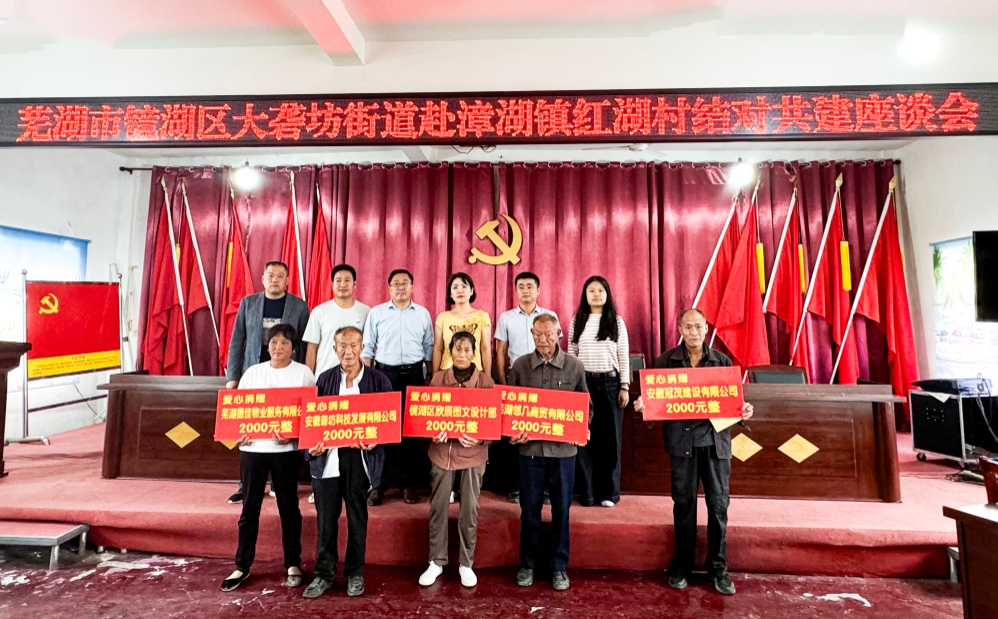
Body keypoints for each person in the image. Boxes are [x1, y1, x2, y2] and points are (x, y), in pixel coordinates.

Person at [633, 308, 754, 596]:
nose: (694, 332)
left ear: (706, 328)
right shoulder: (666, 362)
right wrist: (644, 407)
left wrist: (744, 411)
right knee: (684, 506)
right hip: (682, 445)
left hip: (715, 446)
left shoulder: (722, 362)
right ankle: (681, 567)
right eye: (688, 327)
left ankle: (718, 569)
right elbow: (655, 402)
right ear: (680, 329)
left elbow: (733, 405)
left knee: (718, 507)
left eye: (698, 327)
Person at [220, 324, 315, 593]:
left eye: (285, 342)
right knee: (250, 508)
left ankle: (293, 563)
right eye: (274, 342)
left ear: (293, 348)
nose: (278, 347)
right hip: (253, 451)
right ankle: (242, 564)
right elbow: (239, 413)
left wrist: (294, 436)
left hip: (285, 452)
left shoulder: (304, 374)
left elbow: (310, 415)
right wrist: (239, 435)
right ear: (267, 346)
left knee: (289, 507)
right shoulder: (253, 373)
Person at [302, 326, 392, 599]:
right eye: (342, 345)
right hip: (329, 458)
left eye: (354, 345)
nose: (348, 351)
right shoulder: (324, 379)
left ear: (363, 348)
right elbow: (312, 421)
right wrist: (312, 448)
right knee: (326, 521)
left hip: (359, 459)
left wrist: (376, 440)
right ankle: (324, 574)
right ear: (334, 349)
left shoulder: (378, 381)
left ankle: (354, 573)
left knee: (357, 518)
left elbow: (388, 422)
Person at [508, 314, 589, 591]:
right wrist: (512, 434)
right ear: (532, 334)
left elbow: (586, 407)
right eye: (538, 335)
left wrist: (583, 428)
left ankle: (559, 567)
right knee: (529, 509)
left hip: (564, 453)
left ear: (559, 334)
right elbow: (510, 409)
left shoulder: (574, 366)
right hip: (530, 451)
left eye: (549, 334)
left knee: (561, 511)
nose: (543, 340)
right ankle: (527, 564)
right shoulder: (520, 366)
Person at [224, 261, 310, 505]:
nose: (275, 279)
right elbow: (237, 340)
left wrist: (304, 375)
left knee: (281, 428)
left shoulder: (299, 306)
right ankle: (246, 484)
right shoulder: (248, 303)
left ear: (287, 280)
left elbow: (304, 345)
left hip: (287, 376)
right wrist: (233, 377)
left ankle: (280, 483)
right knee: (250, 430)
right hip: (255, 375)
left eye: (280, 276)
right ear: (262, 278)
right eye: (270, 275)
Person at [418, 332, 495, 589]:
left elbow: (495, 424)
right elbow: (424, 417)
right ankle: (436, 561)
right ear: (450, 352)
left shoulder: (485, 382)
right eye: (457, 349)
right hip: (442, 453)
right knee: (438, 506)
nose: (462, 354)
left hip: (473, 455)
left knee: (469, 509)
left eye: (467, 350)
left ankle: (466, 563)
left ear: (474, 353)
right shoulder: (438, 379)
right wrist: (432, 433)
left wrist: (481, 439)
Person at [302, 264, 379, 506]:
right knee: (324, 437)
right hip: (326, 382)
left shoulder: (366, 311)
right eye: (338, 280)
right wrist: (310, 380)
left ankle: (360, 484)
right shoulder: (320, 311)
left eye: (347, 280)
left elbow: (367, 347)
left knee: (353, 438)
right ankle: (321, 485)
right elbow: (312, 348)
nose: (343, 284)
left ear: (355, 284)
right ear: (332, 284)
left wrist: (366, 378)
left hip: (356, 380)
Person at [361, 268, 434, 504]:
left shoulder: (422, 314)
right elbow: (367, 347)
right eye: (396, 283)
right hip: (384, 375)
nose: (400, 287)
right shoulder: (377, 312)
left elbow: (429, 348)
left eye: (405, 283)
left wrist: (429, 378)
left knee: (410, 433)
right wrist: (367, 379)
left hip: (414, 375)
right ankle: (377, 485)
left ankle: (408, 484)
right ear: (389, 288)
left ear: (412, 287)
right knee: (381, 429)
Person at [494, 271, 559, 503]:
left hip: (546, 378)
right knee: (516, 433)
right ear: (516, 290)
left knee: (545, 433)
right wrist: (504, 383)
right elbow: (501, 351)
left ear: (538, 290)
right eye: (521, 286)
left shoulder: (550, 316)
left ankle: (546, 489)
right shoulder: (506, 317)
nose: (525, 290)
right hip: (517, 378)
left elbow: (557, 347)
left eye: (530, 286)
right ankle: (517, 487)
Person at [567, 275, 630, 508]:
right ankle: (588, 494)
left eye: (600, 291)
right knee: (585, 439)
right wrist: (573, 386)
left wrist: (625, 386)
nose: (596, 295)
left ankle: (609, 493)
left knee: (611, 441)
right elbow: (571, 354)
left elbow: (623, 355)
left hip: (611, 384)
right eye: (591, 291)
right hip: (584, 384)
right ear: (585, 294)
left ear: (607, 294)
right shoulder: (577, 320)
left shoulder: (616, 321)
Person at [432, 272, 492, 377]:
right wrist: (435, 375)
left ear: (471, 291)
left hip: (474, 374)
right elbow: (438, 349)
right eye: (455, 287)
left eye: (464, 286)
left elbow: (485, 349)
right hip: (447, 373)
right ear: (450, 294)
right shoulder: (443, 318)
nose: (460, 290)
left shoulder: (482, 317)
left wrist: (487, 376)